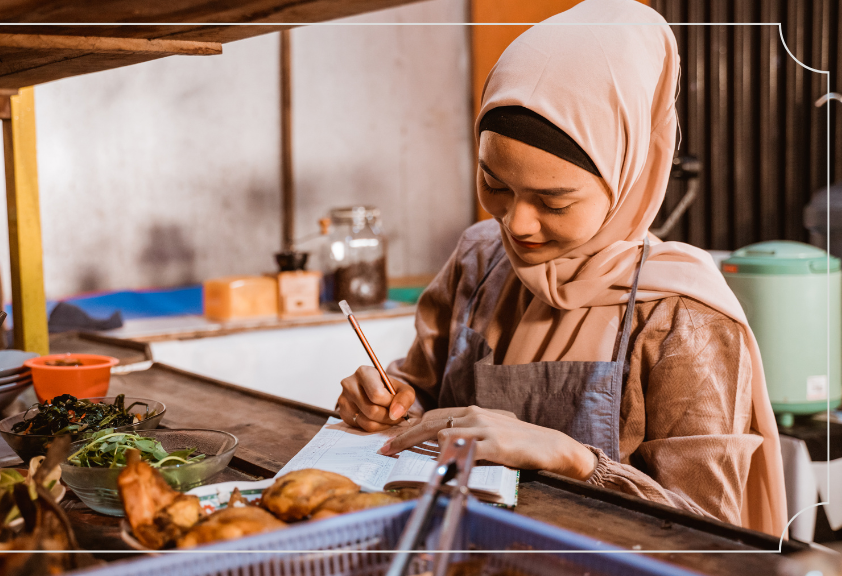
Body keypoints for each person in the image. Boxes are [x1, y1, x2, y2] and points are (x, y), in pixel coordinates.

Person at [335, 0, 787, 536]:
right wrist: (385, 401)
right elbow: (426, 394)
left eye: (553, 202)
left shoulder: (681, 319)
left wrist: (575, 460)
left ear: (628, 178)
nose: (517, 224)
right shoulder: (479, 260)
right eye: (495, 185)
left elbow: (709, 531)